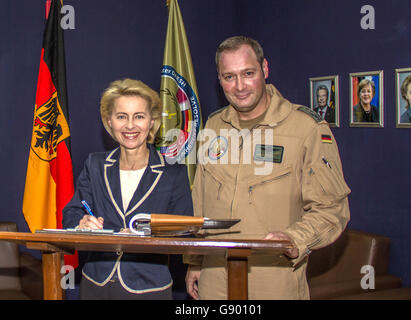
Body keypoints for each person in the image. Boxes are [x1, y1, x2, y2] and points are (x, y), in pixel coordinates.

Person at [184, 36, 350, 300]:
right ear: (219, 78)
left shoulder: (306, 128)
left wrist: (294, 239)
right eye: (229, 77)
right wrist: (195, 261)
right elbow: (200, 201)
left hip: (273, 280)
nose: (239, 86)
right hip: (214, 280)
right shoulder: (213, 126)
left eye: (248, 73)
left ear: (265, 69)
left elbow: (332, 209)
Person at [62, 78, 193, 300]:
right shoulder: (94, 165)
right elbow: (71, 214)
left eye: (139, 116)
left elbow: (185, 231)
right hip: (96, 284)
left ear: (151, 121)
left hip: (149, 287)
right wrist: (81, 223)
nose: (130, 125)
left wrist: (144, 234)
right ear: (109, 121)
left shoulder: (174, 173)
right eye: (121, 116)